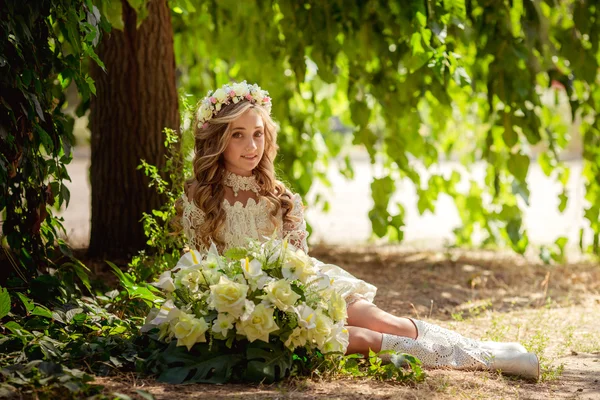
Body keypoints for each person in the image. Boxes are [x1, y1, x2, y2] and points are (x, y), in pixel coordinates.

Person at [174, 81, 540, 380]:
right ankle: (492, 361)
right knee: (362, 338)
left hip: (301, 292)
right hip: (255, 314)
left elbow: (300, 262)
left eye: (258, 134)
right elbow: (203, 272)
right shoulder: (200, 201)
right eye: (238, 135)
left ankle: (484, 350)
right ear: (218, 139)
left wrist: (297, 295)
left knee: (384, 320)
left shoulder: (280, 199)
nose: (252, 146)